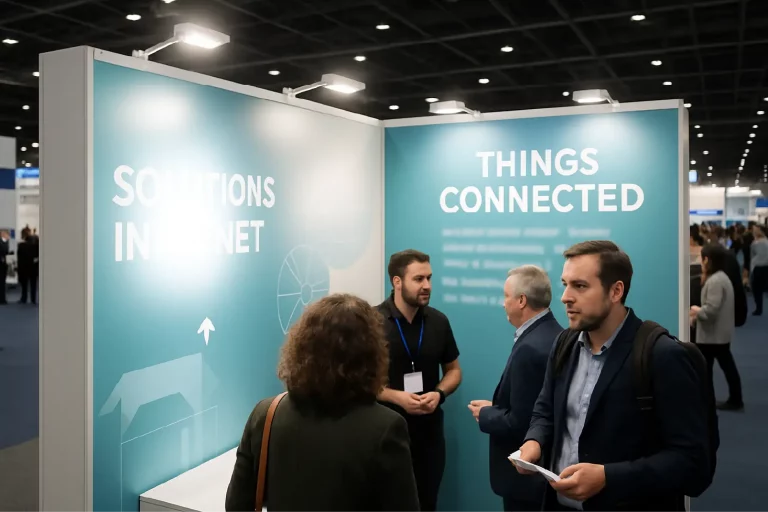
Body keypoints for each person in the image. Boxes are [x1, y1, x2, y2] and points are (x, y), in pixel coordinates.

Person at [515, 240, 711, 511]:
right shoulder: (564, 344)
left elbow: (691, 461)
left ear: (616, 291)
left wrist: (608, 477)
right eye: (565, 284)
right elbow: (545, 409)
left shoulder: (662, 355)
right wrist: (534, 441)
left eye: (580, 286)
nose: (565, 297)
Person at [225, 294, 420, 512]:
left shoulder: (266, 414)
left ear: (301, 347)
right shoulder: (386, 428)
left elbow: (236, 505)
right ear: (372, 354)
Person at [468, 265, 563, 512]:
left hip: (526, 481)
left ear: (521, 300)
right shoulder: (556, 335)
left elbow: (521, 422)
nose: (503, 304)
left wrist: (486, 415)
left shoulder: (530, 347)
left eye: (505, 296)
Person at [376, 249, 462, 512]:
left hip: (429, 436)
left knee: (426, 504)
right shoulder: (371, 321)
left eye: (429, 278)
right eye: (419, 279)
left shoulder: (438, 321)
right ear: (397, 282)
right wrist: (396, 397)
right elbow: (358, 382)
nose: (427, 286)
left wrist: (439, 393)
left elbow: (454, 371)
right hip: (384, 434)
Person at [690, 244, 743, 411]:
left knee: (707, 369)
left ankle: (713, 401)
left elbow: (711, 310)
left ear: (707, 259)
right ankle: (730, 398)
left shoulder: (715, 281)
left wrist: (696, 311)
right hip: (718, 334)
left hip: (713, 335)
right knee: (722, 366)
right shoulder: (721, 277)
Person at [16, 227, 39, 305]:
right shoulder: (36, 245)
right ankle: (33, 299)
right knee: (33, 284)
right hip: (33, 267)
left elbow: (19, 258)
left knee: (24, 285)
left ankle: (24, 298)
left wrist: (18, 268)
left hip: (24, 268)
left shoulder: (21, 245)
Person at [750, 224, 768, 315]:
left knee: (757, 290)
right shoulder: (766, 241)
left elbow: (753, 256)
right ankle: (759, 308)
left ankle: (759, 308)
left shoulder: (756, 243)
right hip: (764, 267)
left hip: (758, 268)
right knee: (760, 289)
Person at [0, 230, 10, 305]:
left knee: (2, 283)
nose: (8, 236)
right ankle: (2, 299)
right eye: (7, 234)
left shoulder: (6, 242)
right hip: (1, 265)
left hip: (3, 265)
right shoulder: (1, 242)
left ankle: (2, 298)